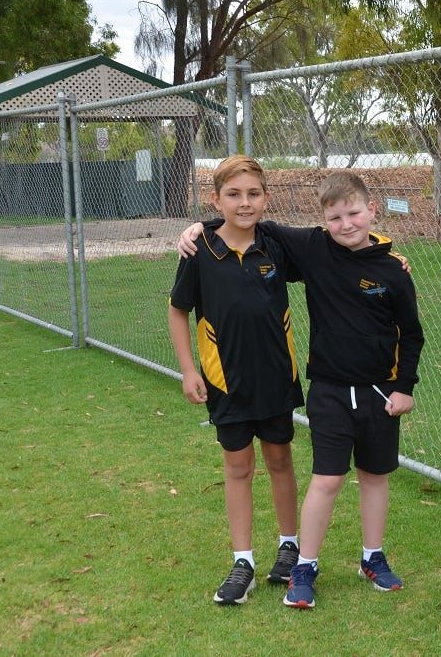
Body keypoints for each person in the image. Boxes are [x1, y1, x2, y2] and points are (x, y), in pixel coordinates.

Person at [178, 172, 425, 609]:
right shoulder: (312, 246)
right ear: (322, 220)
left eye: (354, 213)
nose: (346, 224)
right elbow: (248, 220)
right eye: (335, 217)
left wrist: (403, 386)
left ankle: (372, 556)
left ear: (373, 211)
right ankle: (304, 565)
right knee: (326, 479)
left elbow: (412, 333)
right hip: (326, 390)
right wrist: (199, 225)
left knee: (374, 475)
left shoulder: (392, 269)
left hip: (379, 394)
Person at [167, 154, 304, 605]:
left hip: (275, 379)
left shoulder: (276, 244)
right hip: (226, 381)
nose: (244, 203)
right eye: (233, 194)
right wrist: (189, 369)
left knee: (280, 461)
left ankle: (290, 547)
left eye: (253, 194)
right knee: (238, 467)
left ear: (265, 198)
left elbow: (335, 251)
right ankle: (242, 560)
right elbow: (178, 310)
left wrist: (385, 255)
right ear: (216, 199)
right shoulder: (199, 249)